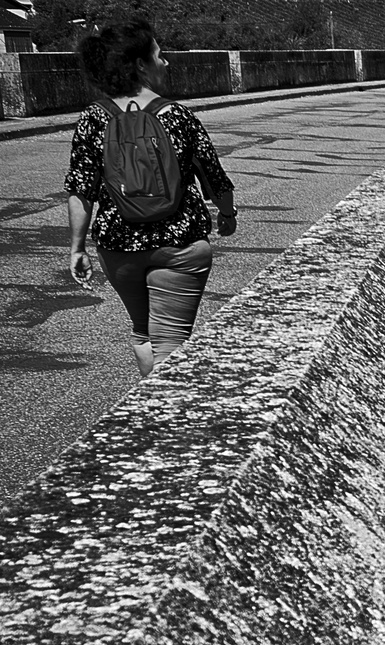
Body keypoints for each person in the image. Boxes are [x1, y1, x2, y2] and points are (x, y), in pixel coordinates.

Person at [65, 19, 237, 377]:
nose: (166, 63)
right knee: (172, 342)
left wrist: (77, 248)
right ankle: (166, 420)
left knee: (144, 334)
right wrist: (227, 214)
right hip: (180, 244)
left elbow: (81, 189)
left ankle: (147, 410)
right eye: (160, 55)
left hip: (119, 247)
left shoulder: (94, 118)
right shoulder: (176, 115)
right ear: (141, 65)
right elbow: (214, 177)